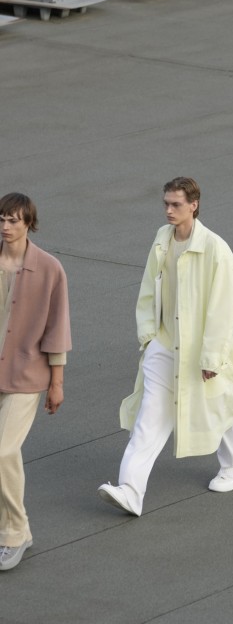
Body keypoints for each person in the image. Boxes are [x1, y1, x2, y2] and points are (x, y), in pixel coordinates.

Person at [98, 177, 233, 516]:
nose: (169, 210)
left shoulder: (215, 248)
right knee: (149, 418)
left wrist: (211, 356)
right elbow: (148, 287)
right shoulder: (162, 239)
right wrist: (149, 336)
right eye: (166, 203)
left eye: (176, 204)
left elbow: (225, 304)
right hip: (164, 346)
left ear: (194, 205)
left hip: (201, 350)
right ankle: (130, 490)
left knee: (216, 405)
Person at [0, 193, 71, 571]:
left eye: (13, 220)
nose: (5, 227)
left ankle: (16, 533)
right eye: (1, 219)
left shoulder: (49, 268)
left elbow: (57, 328)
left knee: (3, 452)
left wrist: (56, 383)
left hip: (25, 376)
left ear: (29, 223)